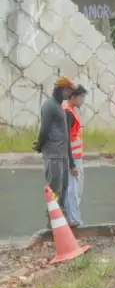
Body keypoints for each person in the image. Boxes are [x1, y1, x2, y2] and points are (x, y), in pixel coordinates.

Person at [33, 76, 77, 227]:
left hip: (62, 155)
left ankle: (61, 222)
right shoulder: (50, 106)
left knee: (63, 189)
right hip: (53, 155)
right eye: (68, 91)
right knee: (55, 189)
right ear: (61, 89)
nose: (69, 94)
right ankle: (51, 224)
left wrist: (70, 161)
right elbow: (44, 129)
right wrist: (39, 145)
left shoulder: (59, 107)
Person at [63, 85, 88, 227]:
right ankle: (74, 220)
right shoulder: (68, 113)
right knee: (73, 190)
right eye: (82, 97)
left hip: (76, 156)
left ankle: (72, 218)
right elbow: (66, 139)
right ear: (73, 97)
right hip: (73, 158)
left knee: (75, 189)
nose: (83, 100)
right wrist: (72, 164)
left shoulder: (70, 111)